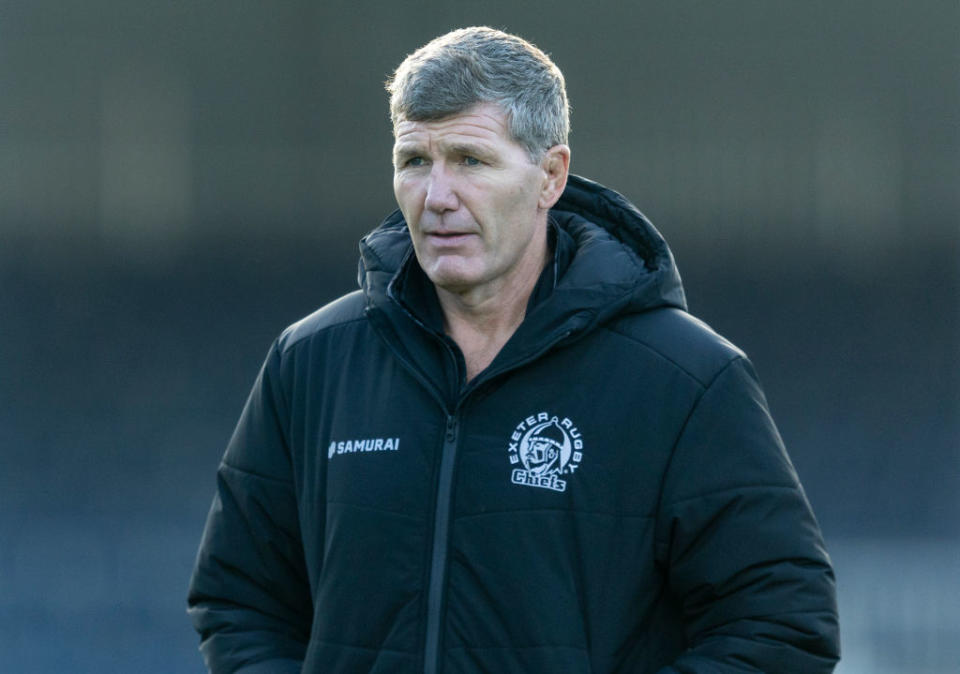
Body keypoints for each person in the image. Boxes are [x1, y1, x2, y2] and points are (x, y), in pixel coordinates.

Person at [187, 26, 840, 673]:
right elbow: (240, 599)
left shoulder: (687, 380)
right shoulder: (310, 364)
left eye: (470, 160)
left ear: (550, 175)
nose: (437, 197)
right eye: (415, 161)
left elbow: (782, 624)